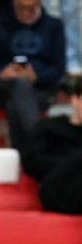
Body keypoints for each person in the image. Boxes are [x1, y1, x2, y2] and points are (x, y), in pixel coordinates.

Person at [0, 0, 66, 150]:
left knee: (16, 105)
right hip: (4, 85)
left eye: (31, 8)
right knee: (19, 86)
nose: (25, 13)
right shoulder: (0, 23)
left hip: (40, 88)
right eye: (21, 8)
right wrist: (1, 72)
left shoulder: (53, 27)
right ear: (14, 1)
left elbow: (58, 69)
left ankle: (26, 159)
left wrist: (36, 76)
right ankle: (43, 144)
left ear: (40, 2)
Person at [21, 72, 82, 214]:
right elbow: (31, 161)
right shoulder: (51, 126)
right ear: (75, 100)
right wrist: (70, 163)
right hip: (58, 188)